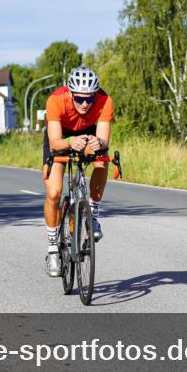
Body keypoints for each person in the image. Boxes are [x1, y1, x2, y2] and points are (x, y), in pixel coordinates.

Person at [42, 66, 113, 278]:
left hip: (89, 132)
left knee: (102, 161)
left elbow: (104, 140)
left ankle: (93, 214)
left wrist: (97, 142)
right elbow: (55, 143)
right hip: (62, 136)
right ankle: (53, 248)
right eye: (80, 99)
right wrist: (72, 142)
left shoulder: (105, 100)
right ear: (71, 93)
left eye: (89, 99)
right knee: (54, 192)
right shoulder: (56, 100)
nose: (84, 104)